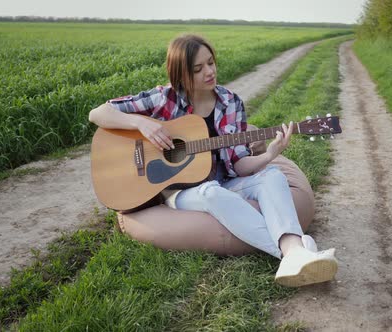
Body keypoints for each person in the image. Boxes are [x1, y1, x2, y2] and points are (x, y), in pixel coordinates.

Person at [88, 34, 338, 287]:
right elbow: (98, 113)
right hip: (178, 192)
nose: (209, 71)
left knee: (272, 175)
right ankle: (295, 252)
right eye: (198, 69)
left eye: (211, 62)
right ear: (181, 74)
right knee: (210, 192)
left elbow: (239, 166)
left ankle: (295, 254)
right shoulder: (164, 98)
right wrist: (141, 123)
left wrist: (270, 154)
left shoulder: (230, 102)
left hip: (225, 182)